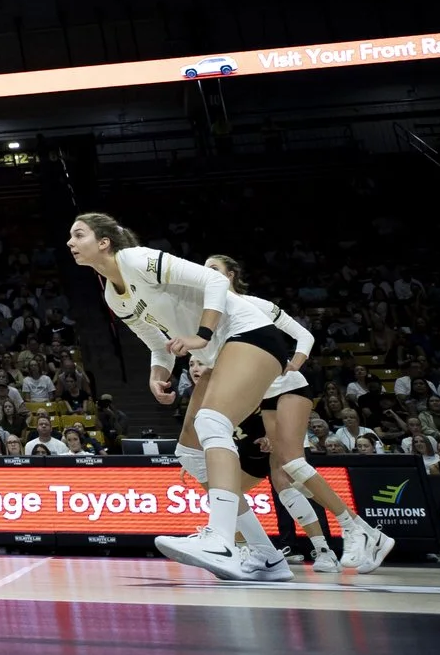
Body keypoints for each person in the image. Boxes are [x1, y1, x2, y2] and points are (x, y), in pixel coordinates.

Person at [66, 213, 305, 580]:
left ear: (104, 243)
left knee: (212, 422)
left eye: (78, 234)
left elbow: (213, 280)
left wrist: (202, 335)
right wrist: (157, 373)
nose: (70, 242)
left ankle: (221, 539)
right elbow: (155, 341)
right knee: (191, 454)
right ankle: (266, 556)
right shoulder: (114, 297)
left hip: (250, 334)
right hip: (220, 352)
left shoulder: (136, 259)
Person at [201, 254, 390, 575]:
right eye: (203, 272)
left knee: (289, 466)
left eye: (214, 270)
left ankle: (351, 532)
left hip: (284, 387)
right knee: (281, 476)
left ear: (231, 275)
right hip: (259, 399)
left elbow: (304, 335)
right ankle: (349, 538)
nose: (208, 277)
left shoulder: (253, 304)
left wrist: (293, 364)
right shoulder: (211, 319)